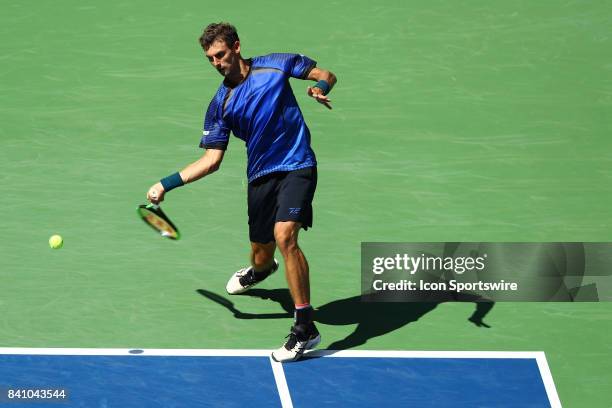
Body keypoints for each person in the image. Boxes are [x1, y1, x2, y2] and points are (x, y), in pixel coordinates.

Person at [146, 22, 336, 362]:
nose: (216, 63)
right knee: (261, 254)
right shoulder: (221, 103)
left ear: (235, 46)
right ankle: (262, 271)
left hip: (298, 165)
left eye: (220, 54)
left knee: (285, 237)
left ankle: (305, 328)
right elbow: (212, 159)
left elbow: (326, 73)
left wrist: (320, 87)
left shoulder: (276, 65)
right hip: (260, 178)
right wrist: (166, 183)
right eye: (210, 59)